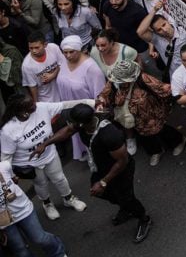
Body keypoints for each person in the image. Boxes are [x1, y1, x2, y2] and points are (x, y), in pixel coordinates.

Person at [36, 104, 151, 243]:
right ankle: (126, 209)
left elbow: (122, 161)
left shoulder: (109, 134)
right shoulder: (83, 124)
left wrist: (103, 182)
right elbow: (67, 131)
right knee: (104, 193)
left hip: (120, 170)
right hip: (101, 167)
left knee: (126, 197)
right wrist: (45, 144)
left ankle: (144, 219)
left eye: (72, 121)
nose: (70, 124)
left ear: (81, 123)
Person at [0, 93, 88, 221]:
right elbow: (6, 156)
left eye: (33, 102)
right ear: (21, 111)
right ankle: (47, 204)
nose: (35, 104)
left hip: (49, 154)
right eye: (30, 105)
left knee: (59, 178)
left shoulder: (42, 108)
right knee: (41, 184)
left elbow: (65, 105)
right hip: (29, 164)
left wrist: (92, 102)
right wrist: (9, 176)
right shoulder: (8, 130)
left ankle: (68, 198)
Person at [96, 60, 186, 167]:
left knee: (160, 129)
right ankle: (155, 152)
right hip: (133, 117)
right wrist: (101, 102)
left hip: (152, 113)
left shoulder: (142, 78)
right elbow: (105, 94)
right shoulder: (114, 82)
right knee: (143, 136)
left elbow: (161, 88)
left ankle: (178, 141)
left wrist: (176, 94)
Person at [0, 159, 68, 257]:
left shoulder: (4, 166)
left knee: (40, 238)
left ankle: (58, 252)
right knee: (19, 249)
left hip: (23, 210)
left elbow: (14, 179)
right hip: (3, 222)